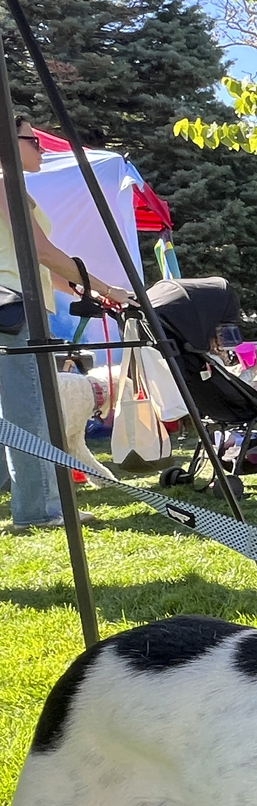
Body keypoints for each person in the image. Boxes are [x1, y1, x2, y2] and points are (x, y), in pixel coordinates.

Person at [0, 117, 133, 532]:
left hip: (14, 304)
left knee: (21, 410)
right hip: (14, 310)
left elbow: (36, 257)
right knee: (31, 412)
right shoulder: (7, 186)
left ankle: (32, 502)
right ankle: (39, 511)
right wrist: (105, 285)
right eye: (33, 140)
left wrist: (80, 288)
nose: (41, 148)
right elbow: (43, 252)